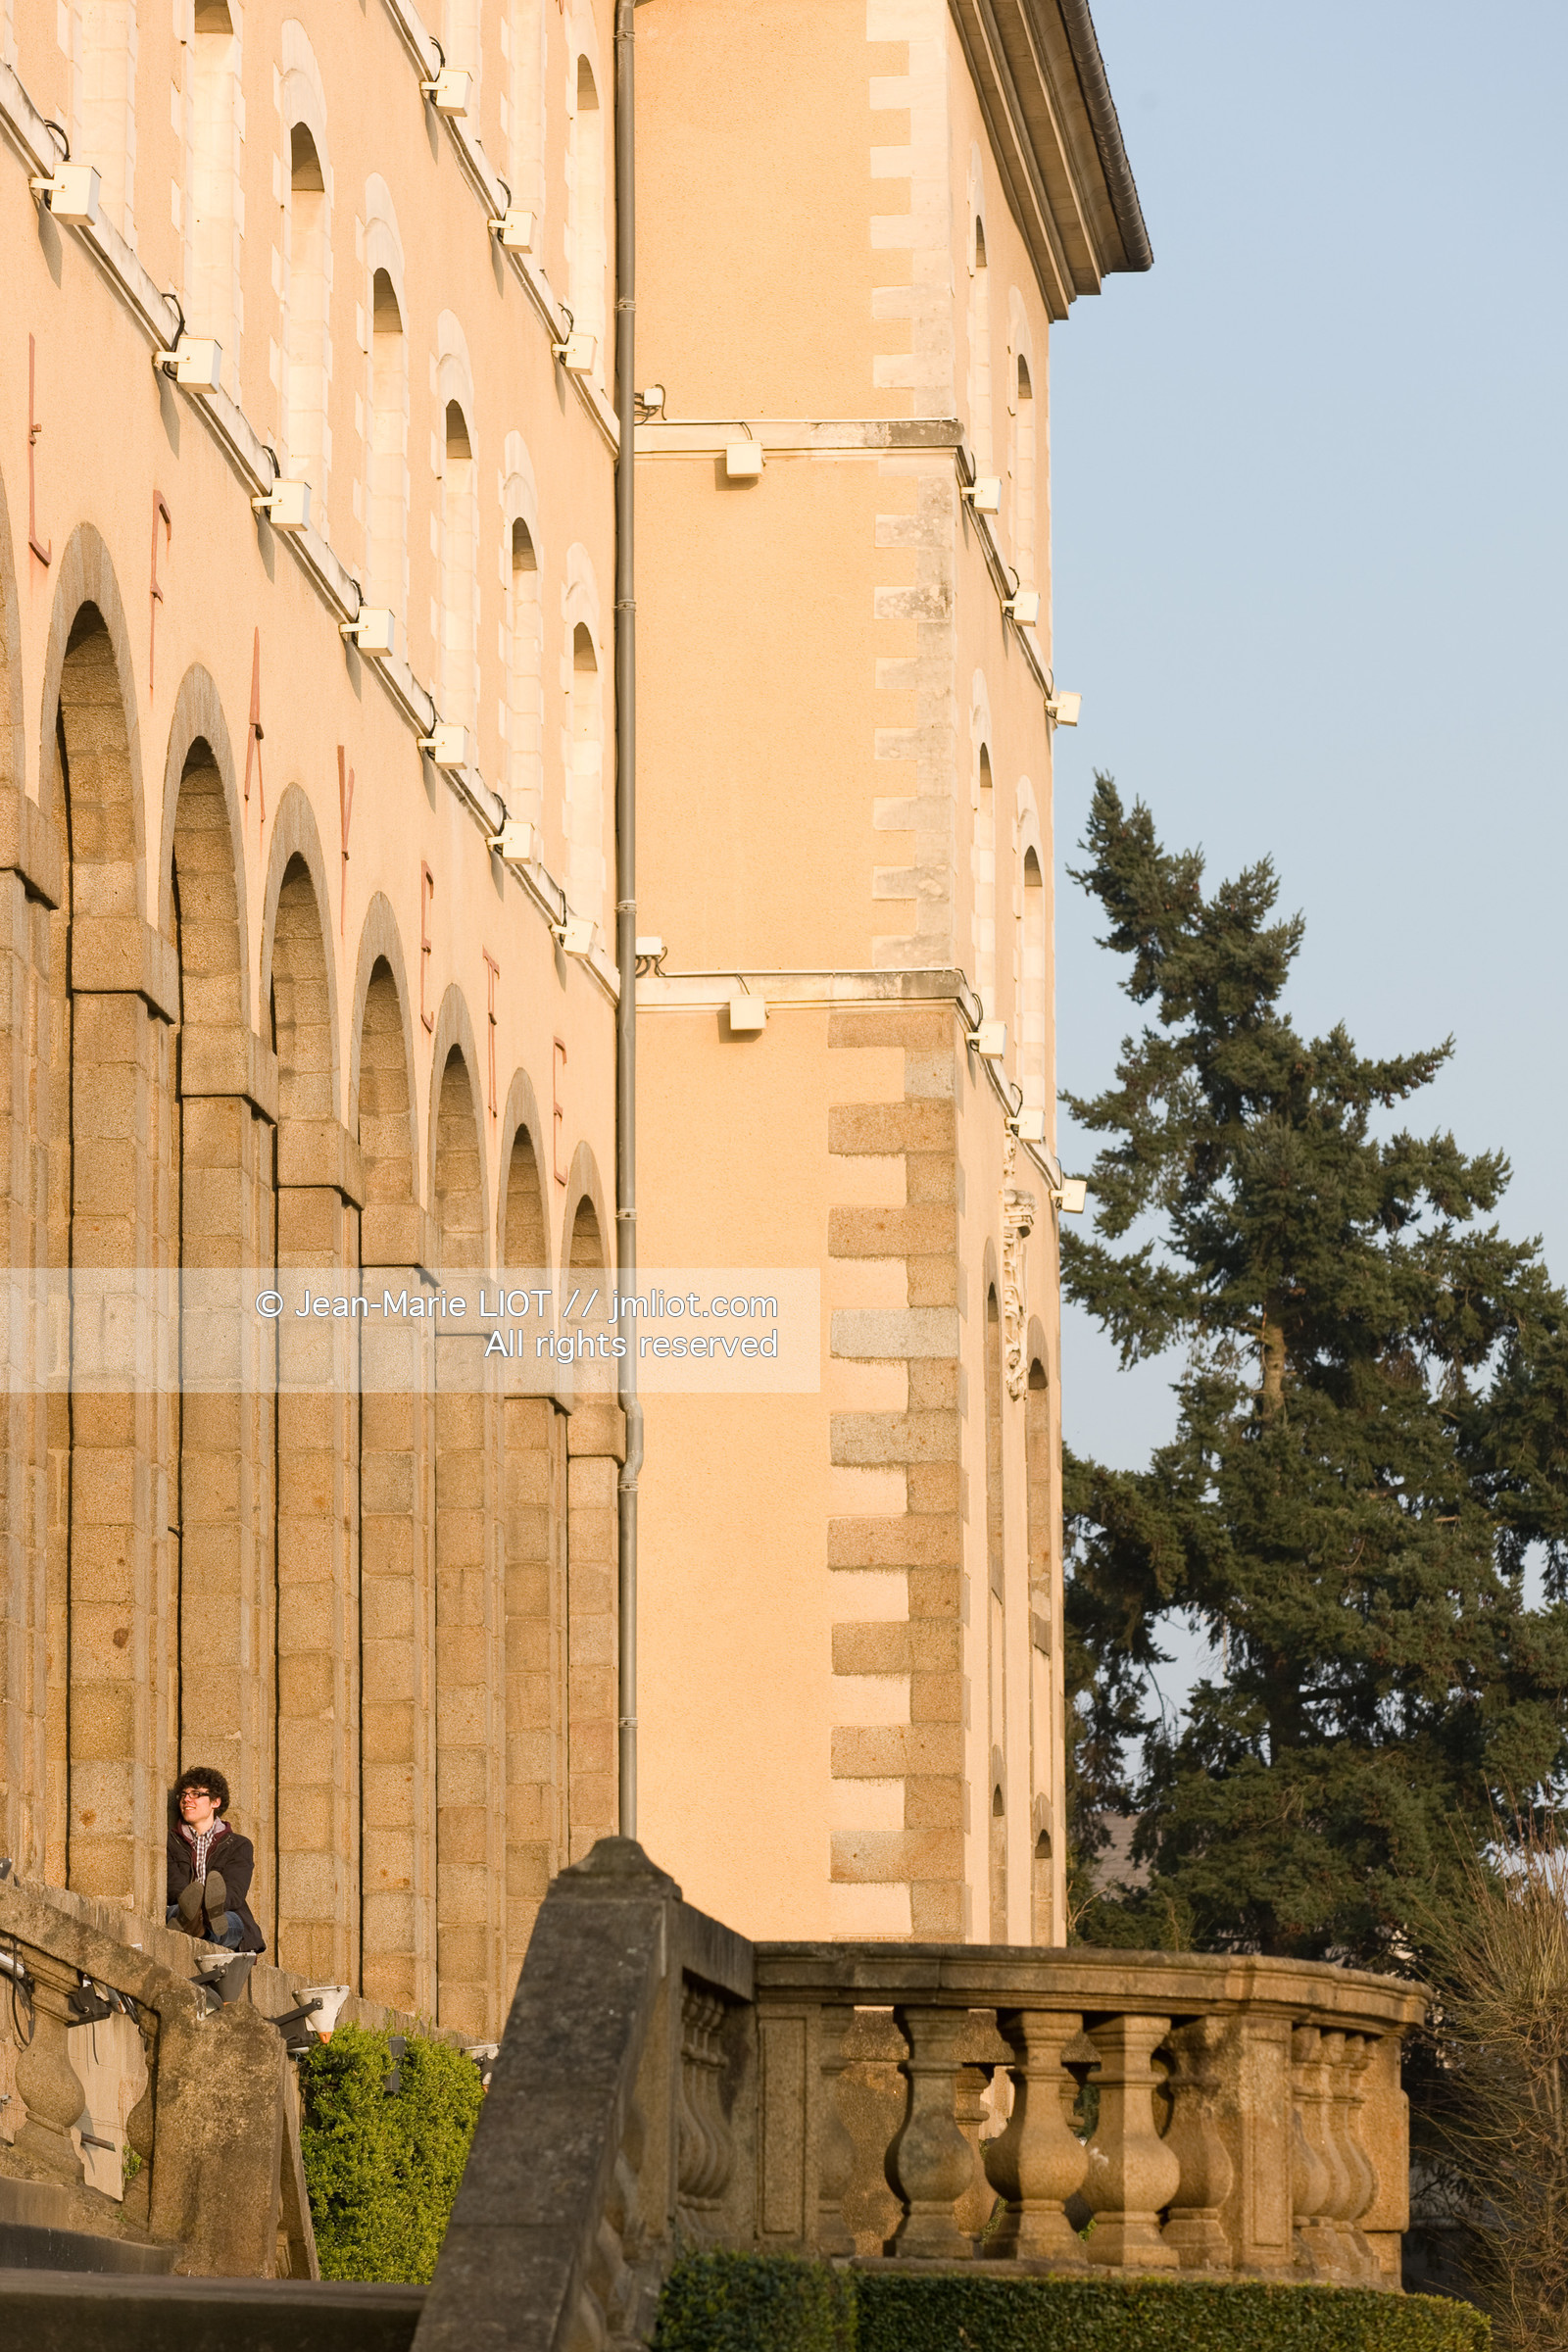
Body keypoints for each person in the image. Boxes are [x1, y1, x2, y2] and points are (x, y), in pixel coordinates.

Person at [167, 1767, 266, 1954]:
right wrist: (193, 1904)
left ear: (215, 1802)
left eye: (196, 1794)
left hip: (223, 1911)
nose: (186, 1799)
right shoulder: (169, 1842)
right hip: (181, 1907)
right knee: (176, 1912)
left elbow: (235, 1892)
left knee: (232, 1923)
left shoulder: (239, 1845)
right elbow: (173, 1884)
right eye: (184, 1795)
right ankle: (194, 1923)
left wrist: (208, 1908)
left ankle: (200, 1928)